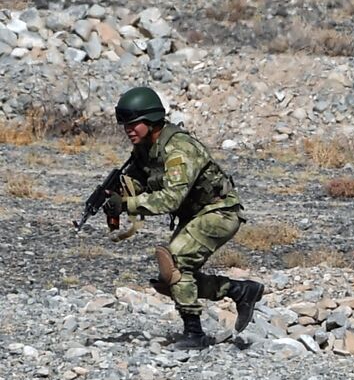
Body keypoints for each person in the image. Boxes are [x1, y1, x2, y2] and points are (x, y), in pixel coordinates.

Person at [104, 86, 263, 350]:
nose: (128, 130)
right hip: (195, 215)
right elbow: (141, 181)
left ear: (152, 120)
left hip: (219, 212)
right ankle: (239, 291)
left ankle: (195, 334)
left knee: (175, 263)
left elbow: (170, 199)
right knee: (170, 280)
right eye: (125, 125)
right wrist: (117, 195)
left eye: (134, 124)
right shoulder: (145, 148)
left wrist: (127, 204)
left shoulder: (179, 149)